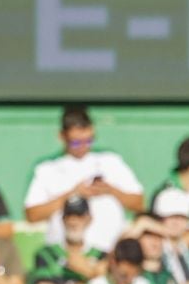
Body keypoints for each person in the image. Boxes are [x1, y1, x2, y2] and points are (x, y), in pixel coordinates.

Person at [23, 107, 144, 253]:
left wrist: (110, 190)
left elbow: (139, 203)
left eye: (88, 141)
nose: (82, 147)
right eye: (75, 143)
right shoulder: (47, 169)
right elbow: (32, 214)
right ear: (62, 137)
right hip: (65, 257)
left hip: (109, 253)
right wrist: (73, 194)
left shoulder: (111, 161)